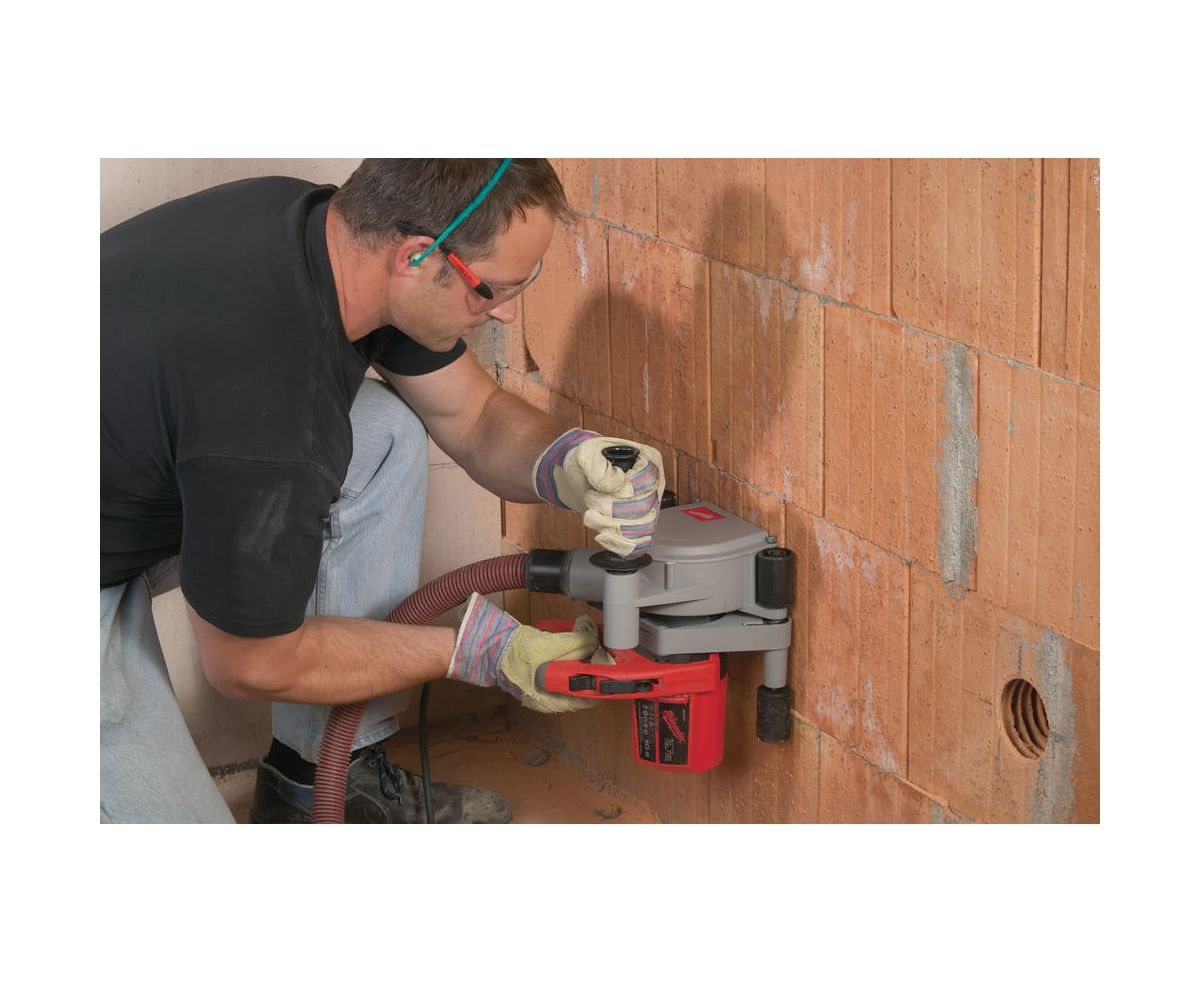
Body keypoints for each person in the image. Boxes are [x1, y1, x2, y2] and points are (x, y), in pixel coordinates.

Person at [100, 158, 665, 823]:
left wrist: (566, 460)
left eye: (525, 282)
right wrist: (480, 652)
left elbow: (473, 415)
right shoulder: (271, 406)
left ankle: (323, 777)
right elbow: (249, 661)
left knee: (382, 431)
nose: (508, 315)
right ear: (417, 256)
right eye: (494, 290)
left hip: (126, 479)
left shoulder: (322, 233)